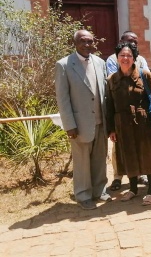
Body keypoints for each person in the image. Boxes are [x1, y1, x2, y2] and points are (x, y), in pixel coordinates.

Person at [55, 30, 110, 210]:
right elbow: (62, 99)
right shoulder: (64, 65)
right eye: (83, 41)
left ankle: (99, 190)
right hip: (79, 124)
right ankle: (83, 194)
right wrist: (69, 125)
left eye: (90, 42)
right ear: (75, 43)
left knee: (99, 159)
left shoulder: (100, 63)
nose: (87, 45)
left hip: (101, 121)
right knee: (82, 162)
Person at [106, 42, 151, 206]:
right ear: (117, 58)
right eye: (122, 55)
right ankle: (133, 189)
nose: (125, 58)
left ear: (134, 58)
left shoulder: (144, 74)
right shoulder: (112, 80)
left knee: (149, 154)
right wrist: (111, 129)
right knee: (128, 154)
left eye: (129, 56)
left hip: (144, 121)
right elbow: (109, 105)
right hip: (122, 124)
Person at [107, 31, 149, 190]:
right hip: (120, 109)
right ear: (121, 42)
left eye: (135, 42)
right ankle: (118, 177)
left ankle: (140, 174)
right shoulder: (112, 59)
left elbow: (145, 80)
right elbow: (113, 80)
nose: (133, 44)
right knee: (119, 146)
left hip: (138, 109)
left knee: (138, 143)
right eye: (129, 41)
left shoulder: (142, 59)